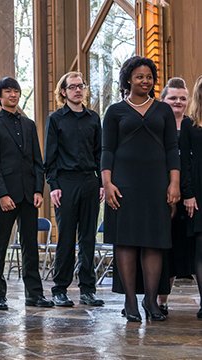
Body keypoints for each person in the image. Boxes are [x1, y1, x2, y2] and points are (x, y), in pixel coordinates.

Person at [102, 56, 180, 322]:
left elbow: (172, 148)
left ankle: (150, 300)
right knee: (126, 242)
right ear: (128, 79)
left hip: (157, 185)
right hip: (123, 185)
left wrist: (174, 183)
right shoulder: (114, 111)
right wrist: (107, 183)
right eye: (139, 76)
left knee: (154, 243)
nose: (145, 81)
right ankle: (130, 301)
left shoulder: (163, 111)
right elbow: (107, 150)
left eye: (149, 77)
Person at [0, 76, 54, 311]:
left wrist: (38, 190)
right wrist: (2, 194)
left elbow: (37, 160)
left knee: (30, 246)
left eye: (16, 91)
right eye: (8, 91)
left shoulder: (29, 124)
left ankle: (34, 294)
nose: (13, 95)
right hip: (6, 196)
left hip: (28, 195)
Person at [44, 71, 105, 307]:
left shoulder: (93, 118)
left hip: (90, 181)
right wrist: (54, 186)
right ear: (63, 92)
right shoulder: (56, 119)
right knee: (66, 238)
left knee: (88, 237)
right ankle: (60, 289)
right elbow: (50, 155)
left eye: (81, 86)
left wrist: (101, 182)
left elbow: (100, 153)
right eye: (72, 87)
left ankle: (88, 289)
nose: (78, 90)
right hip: (66, 183)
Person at [157, 77, 194, 315]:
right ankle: (161, 301)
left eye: (182, 98)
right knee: (165, 251)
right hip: (163, 198)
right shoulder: (157, 126)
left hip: (191, 200)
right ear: (163, 100)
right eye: (173, 98)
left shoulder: (194, 126)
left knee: (191, 249)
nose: (178, 102)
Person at [179, 75, 202, 319]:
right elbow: (184, 162)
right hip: (198, 188)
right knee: (201, 248)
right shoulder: (190, 124)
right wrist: (189, 194)